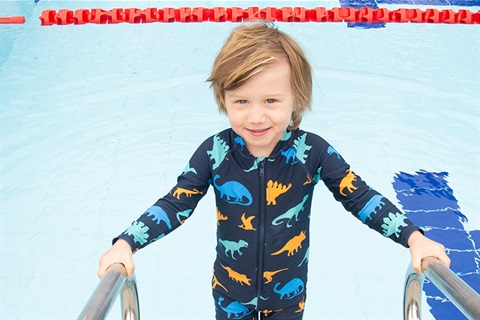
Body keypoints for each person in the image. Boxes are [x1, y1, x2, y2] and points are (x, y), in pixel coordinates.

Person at [97, 22, 450, 319]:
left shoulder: (312, 152)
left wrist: (414, 238)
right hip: (229, 292)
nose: (255, 116)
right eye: (241, 101)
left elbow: (360, 196)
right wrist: (126, 243)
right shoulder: (214, 152)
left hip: (287, 298)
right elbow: (176, 203)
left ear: (295, 97)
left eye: (271, 100)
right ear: (224, 100)